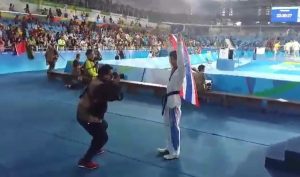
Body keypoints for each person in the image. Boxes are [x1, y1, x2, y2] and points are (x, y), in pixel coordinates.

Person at [77, 64, 123, 169]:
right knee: (102, 137)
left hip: (89, 113)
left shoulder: (99, 81)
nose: (111, 77)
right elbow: (115, 96)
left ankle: (96, 146)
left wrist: (112, 82)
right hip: (86, 116)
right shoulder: (98, 86)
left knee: (104, 125)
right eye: (110, 75)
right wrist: (115, 84)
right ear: (104, 75)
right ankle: (85, 161)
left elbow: (107, 88)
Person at [158, 33, 185, 160]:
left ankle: (175, 152)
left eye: (172, 59)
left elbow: (181, 60)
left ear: (176, 59)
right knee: (167, 125)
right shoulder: (173, 70)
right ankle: (169, 147)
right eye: (170, 59)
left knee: (174, 127)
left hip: (174, 102)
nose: (170, 61)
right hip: (168, 100)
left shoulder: (180, 71)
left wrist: (179, 44)